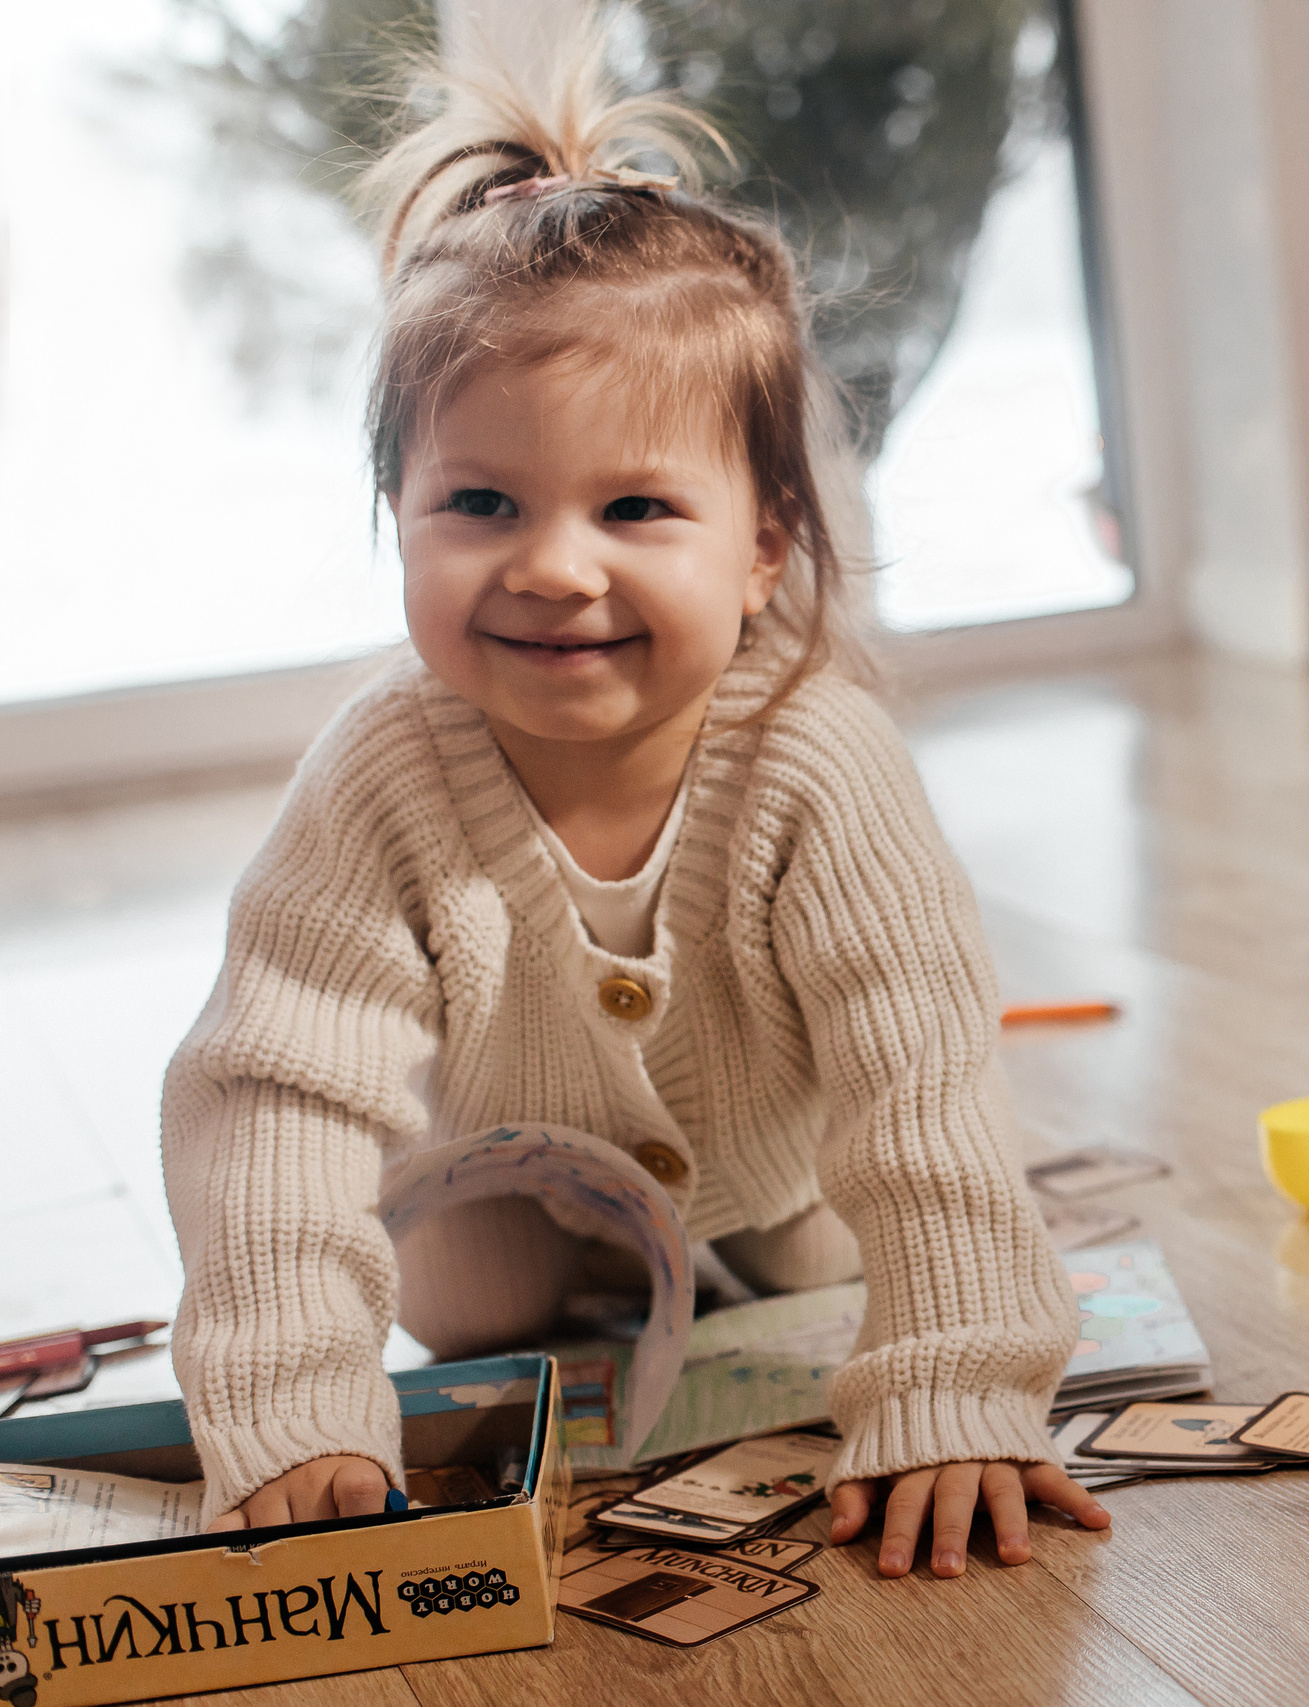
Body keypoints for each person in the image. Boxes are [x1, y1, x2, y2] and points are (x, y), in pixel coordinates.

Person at [158, 18, 1106, 1580]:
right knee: (465, 1308)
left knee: (841, 1256)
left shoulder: (818, 753)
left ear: (764, 546)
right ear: (396, 518)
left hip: (774, 1170)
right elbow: (279, 1087)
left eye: (637, 507)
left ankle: (804, 1280)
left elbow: (920, 1075)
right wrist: (292, 1402)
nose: (552, 565)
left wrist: (954, 1381)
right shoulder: (382, 767)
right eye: (478, 504)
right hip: (501, 1192)